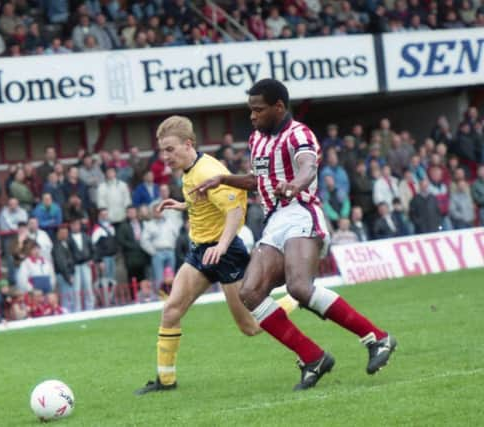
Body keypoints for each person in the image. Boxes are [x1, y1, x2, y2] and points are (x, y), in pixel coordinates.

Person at [191, 79, 396, 391]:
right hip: (274, 220)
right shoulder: (257, 139)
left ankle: (377, 338)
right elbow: (258, 181)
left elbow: (308, 166)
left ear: (279, 107)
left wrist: (295, 184)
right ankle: (312, 356)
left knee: (299, 287)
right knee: (250, 293)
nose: (252, 116)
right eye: (250, 110)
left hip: (301, 212)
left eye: (258, 110)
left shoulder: (298, 133)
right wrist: (223, 179)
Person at [135, 115, 262, 395]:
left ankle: (293, 300)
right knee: (171, 310)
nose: (165, 156)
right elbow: (206, 202)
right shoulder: (190, 169)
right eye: (162, 151)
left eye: (170, 149)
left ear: (188, 144)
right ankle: (165, 382)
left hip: (225, 253)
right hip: (201, 251)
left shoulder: (206, 171)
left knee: (250, 327)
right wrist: (182, 205)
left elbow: (235, 211)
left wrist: (222, 245)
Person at [92, 208, 118, 307]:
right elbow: (95, 247)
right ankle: (106, 301)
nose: (105, 216)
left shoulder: (111, 227)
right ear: (99, 216)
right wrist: (99, 260)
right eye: (103, 214)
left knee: (112, 280)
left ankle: (112, 300)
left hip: (112, 257)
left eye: (106, 214)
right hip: (104, 258)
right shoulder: (97, 229)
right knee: (105, 280)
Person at [67, 217, 94, 311]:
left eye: (77, 224)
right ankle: (77, 309)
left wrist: (92, 259)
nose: (76, 226)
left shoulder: (85, 236)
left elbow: (92, 249)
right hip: (75, 266)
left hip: (86, 264)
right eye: (74, 225)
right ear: (70, 226)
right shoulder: (68, 238)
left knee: (88, 286)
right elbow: (68, 254)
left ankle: (90, 307)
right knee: (76, 289)